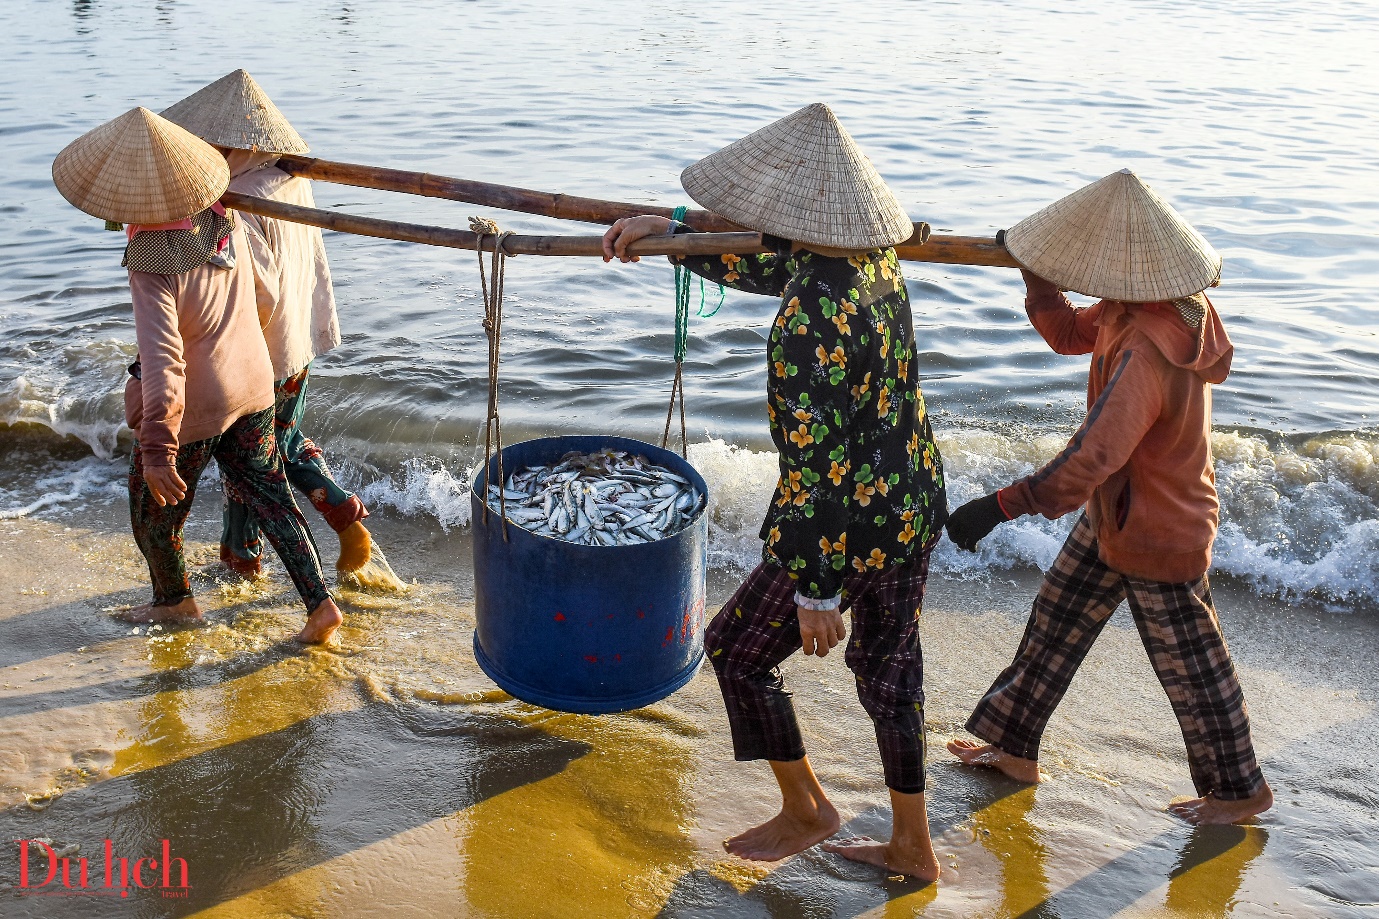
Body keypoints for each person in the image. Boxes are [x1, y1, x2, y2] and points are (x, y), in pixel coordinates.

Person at [603, 104, 947, 881]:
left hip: (846, 523)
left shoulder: (805, 323)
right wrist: (671, 232)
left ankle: (806, 807)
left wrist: (817, 588)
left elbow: (815, 469)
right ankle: (912, 846)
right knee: (893, 673)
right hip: (911, 500)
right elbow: (759, 260)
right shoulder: (872, 256)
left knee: (734, 650)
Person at [945, 168, 1273, 825]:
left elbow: (1094, 454)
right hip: (1115, 517)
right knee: (1054, 621)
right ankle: (1012, 746)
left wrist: (999, 504)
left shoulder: (1150, 346)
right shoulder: (1144, 306)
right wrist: (1034, 276)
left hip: (1156, 530)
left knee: (1189, 667)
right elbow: (1069, 333)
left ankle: (1240, 791)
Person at [52, 107, 343, 644]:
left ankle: (175, 602)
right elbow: (267, 298)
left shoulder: (150, 258)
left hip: (195, 405)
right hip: (253, 385)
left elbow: (164, 358)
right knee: (273, 498)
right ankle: (320, 605)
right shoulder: (224, 218)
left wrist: (158, 448)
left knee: (150, 506)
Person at [160, 70, 392, 586]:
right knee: (265, 452)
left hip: (260, 351)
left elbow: (257, 289)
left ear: (227, 143)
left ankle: (336, 514)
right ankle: (241, 554)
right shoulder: (289, 178)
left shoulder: (238, 201)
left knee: (255, 458)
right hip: (299, 337)